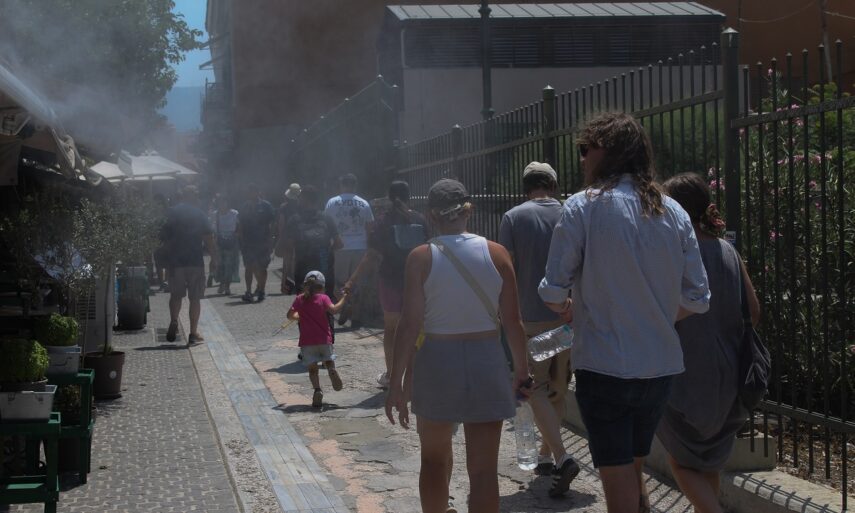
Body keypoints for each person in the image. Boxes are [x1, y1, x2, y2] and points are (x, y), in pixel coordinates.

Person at [538, 112, 711, 513]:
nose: (582, 158)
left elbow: (552, 289)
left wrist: (568, 309)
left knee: (618, 487)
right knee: (633, 471)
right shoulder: (674, 211)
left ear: (609, 152)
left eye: (587, 149)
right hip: (659, 367)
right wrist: (656, 315)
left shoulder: (582, 206)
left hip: (605, 366)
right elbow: (699, 297)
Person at [385, 179, 531, 513]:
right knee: (483, 470)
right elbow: (513, 322)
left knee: (433, 461)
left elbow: (409, 325)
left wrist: (396, 383)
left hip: (437, 361)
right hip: (487, 358)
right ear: (469, 210)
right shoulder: (497, 254)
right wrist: (522, 372)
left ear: (431, 216)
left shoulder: (420, 257)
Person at [656, 173, 760, 513]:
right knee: (708, 462)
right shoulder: (728, 251)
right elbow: (753, 311)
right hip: (730, 373)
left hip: (685, 372)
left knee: (681, 461)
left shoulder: (676, 254)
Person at [498, 161, 580, 496]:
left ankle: (560, 455)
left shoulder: (513, 217)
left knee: (535, 389)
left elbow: (506, 268)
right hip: (568, 318)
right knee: (558, 388)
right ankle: (546, 455)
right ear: (554, 186)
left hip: (528, 320)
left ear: (526, 187)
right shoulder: (572, 212)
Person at [344, 181, 427, 388]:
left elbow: (372, 255)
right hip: (417, 282)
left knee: (391, 329)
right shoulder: (420, 219)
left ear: (389, 197)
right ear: (409, 196)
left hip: (390, 281)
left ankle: (391, 376)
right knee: (416, 327)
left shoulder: (383, 221)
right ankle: (417, 376)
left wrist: (352, 280)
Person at [161, 186, 218, 345]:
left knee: (175, 295)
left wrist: (166, 261)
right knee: (195, 298)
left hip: (176, 262)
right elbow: (208, 238)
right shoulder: (199, 214)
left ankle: (174, 321)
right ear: (194, 197)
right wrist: (214, 258)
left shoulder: (172, 213)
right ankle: (193, 333)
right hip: (195, 262)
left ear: (182, 196)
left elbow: (164, 238)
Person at [286, 271, 348, 407]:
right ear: (322, 286)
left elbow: (290, 315)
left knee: (313, 369)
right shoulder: (323, 298)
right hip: (324, 339)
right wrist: (344, 298)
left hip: (307, 342)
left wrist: (299, 316)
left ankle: (317, 390)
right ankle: (331, 370)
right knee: (329, 360)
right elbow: (334, 310)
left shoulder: (299, 299)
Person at [324, 173, 373, 327]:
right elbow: (369, 228)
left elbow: (326, 225)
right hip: (360, 247)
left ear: (341, 185)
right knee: (357, 283)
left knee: (337, 282)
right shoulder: (364, 203)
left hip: (340, 248)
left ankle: (344, 304)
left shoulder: (332, 203)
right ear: (355, 185)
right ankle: (356, 317)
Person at [282, 185, 343, 296]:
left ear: (305, 199)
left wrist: (285, 278)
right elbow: (339, 244)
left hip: (302, 272)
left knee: (304, 303)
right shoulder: (326, 218)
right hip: (324, 271)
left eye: (300, 197)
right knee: (325, 302)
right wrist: (327, 252)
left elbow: (288, 251)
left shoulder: (294, 220)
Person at [237, 183, 276, 303]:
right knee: (249, 267)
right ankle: (248, 291)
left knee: (262, 267)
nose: (251, 194)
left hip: (263, 241)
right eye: (249, 192)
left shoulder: (266, 206)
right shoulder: (245, 206)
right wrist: (241, 240)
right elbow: (240, 224)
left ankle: (261, 291)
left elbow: (272, 223)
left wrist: (271, 239)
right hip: (248, 242)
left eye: (253, 191)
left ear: (258, 192)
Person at [275, 183, 302, 294]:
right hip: (300, 237)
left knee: (286, 263)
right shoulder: (301, 207)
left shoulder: (283, 207)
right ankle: (297, 285)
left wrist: (280, 237)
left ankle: (284, 286)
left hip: (287, 237)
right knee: (297, 262)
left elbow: (281, 223)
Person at [212, 194, 240, 295]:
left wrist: (236, 235)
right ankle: (221, 284)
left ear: (227, 203)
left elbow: (239, 226)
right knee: (220, 265)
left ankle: (227, 286)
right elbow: (213, 229)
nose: (222, 204)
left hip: (232, 242)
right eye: (220, 202)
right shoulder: (215, 214)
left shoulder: (234, 213)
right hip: (219, 242)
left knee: (229, 265)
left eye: (224, 202)